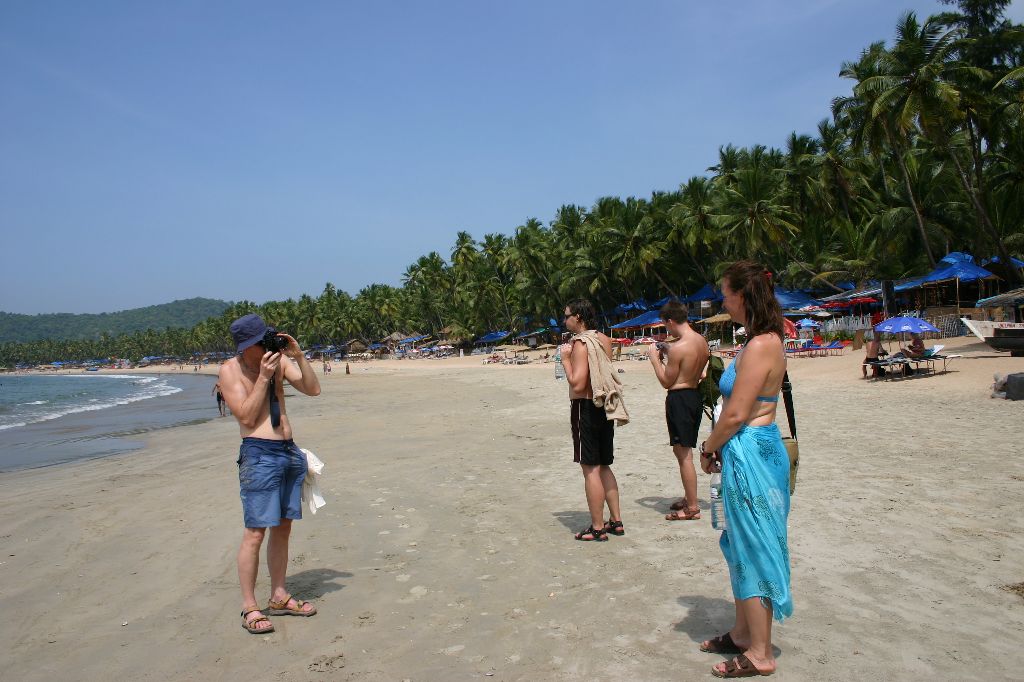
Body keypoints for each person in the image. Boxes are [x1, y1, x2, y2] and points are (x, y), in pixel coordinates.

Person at [697, 261, 792, 678]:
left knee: (754, 544)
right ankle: (742, 633)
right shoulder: (759, 340)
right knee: (738, 542)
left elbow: (737, 414)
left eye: (726, 294)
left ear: (743, 295)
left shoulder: (761, 345)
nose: (723, 301)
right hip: (747, 448)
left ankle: (760, 652)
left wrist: (708, 447)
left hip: (751, 450)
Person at [219, 313, 322, 634]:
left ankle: (279, 596)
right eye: (258, 343)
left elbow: (313, 389)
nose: (265, 346)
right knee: (255, 532)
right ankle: (250, 607)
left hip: (289, 452)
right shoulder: (230, 370)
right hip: (259, 455)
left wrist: (298, 356)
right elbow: (247, 418)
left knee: (283, 528)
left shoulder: (278, 361)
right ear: (244, 346)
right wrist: (264, 377)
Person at [559, 299, 629, 541]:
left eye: (567, 316)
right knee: (605, 464)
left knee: (590, 468)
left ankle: (598, 527)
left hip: (585, 407)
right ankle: (616, 521)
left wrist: (565, 360)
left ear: (578, 317)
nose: (564, 320)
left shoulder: (580, 344)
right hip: (604, 407)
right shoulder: (604, 339)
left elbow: (578, 384)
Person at [647, 300, 709, 521]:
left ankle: (692, 507)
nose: (667, 330)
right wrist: (668, 349)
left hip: (680, 399)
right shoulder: (701, 341)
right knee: (682, 450)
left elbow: (666, 381)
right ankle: (689, 497)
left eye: (666, 325)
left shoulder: (680, 348)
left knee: (684, 455)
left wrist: (655, 360)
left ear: (670, 321)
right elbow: (699, 372)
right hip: (694, 397)